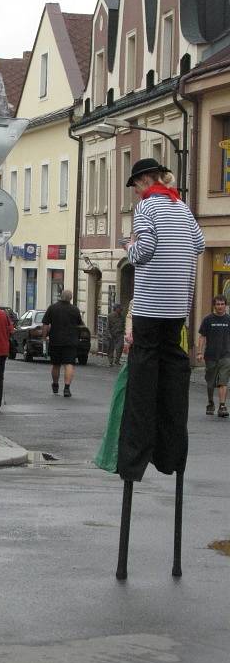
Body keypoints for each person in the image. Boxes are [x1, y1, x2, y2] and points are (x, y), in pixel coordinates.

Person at [117, 158, 205, 482]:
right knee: (172, 375)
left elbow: (146, 250)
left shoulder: (146, 208)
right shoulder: (181, 207)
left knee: (143, 379)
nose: (135, 192)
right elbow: (199, 244)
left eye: (135, 186)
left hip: (150, 305)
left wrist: (129, 247)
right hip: (177, 307)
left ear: (143, 182)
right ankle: (171, 455)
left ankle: (136, 455)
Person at [42, 289, 82, 398]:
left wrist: (44, 337)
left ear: (61, 296)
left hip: (55, 340)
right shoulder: (75, 310)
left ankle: (55, 384)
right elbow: (79, 324)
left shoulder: (52, 308)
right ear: (71, 298)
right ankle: (67, 388)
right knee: (69, 364)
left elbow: (45, 324)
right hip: (71, 341)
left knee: (56, 364)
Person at [197, 294, 230, 418]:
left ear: (225, 305)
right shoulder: (208, 319)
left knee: (223, 381)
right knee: (210, 383)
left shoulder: (228, 319)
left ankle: (222, 406)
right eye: (218, 304)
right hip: (210, 356)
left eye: (222, 304)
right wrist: (199, 352)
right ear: (214, 305)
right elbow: (202, 337)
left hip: (226, 356)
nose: (220, 306)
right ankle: (210, 402)